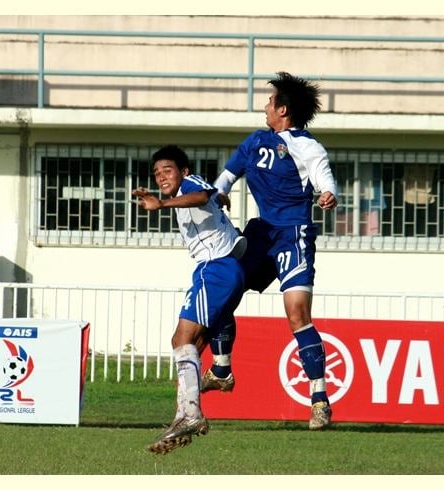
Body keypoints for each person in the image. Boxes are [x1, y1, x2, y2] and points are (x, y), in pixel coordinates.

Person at [209, 71, 338, 430]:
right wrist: (219, 196)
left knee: (297, 314)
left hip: (293, 235)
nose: (265, 106)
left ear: (283, 109)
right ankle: (221, 369)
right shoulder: (254, 142)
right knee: (223, 290)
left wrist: (328, 193)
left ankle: (319, 401)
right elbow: (227, 177)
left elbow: (322, 176)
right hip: (261, 233)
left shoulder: (307, 146)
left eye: (270, 101)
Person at [133, 145, 246, 454]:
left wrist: (161, 203)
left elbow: (200, 195)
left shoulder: (190, 184)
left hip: (216, 269)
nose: (160, 177)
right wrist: (218, 197)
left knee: (181, 339)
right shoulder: (192, 190)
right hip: (222, 270)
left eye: (167, 170)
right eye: (156, 174)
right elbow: (210, 197)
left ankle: (191, 415)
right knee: (188, 347)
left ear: (182, 171)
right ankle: (182, 419)